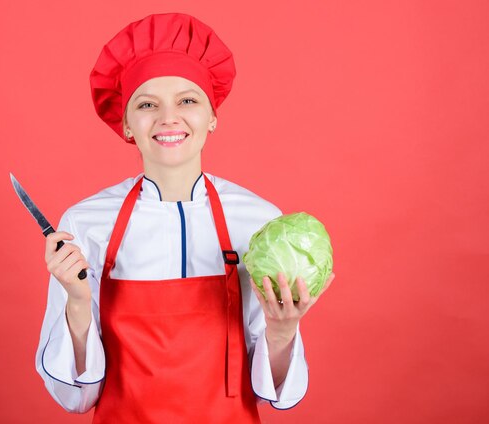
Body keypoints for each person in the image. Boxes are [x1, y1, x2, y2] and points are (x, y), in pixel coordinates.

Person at [36, 13, 334, 423]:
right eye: (146, 104)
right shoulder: (85, 223)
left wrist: (283, 331)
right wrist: (78, 303)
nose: (168, 118)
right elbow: (76, 398)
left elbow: (272, 395)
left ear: (212, 116)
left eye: (188, 100)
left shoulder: (259, 222)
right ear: (125, 124)